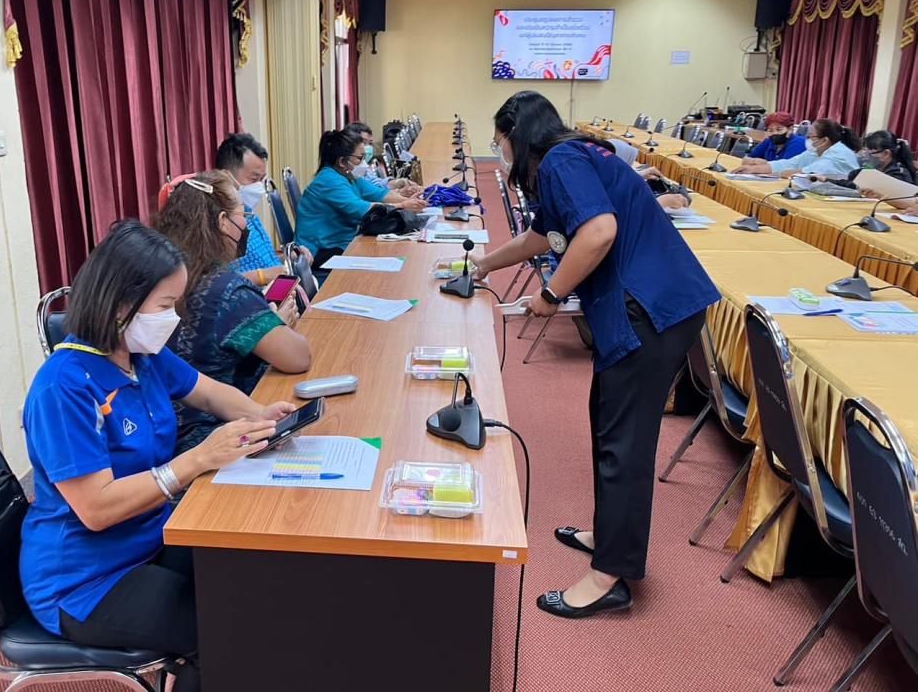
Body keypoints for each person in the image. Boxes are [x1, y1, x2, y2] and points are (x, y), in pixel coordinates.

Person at [472, 91, 719, 618]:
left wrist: (550, 293)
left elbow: (599, 231)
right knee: (608, 424)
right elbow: (540, 237)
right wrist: (484, 265)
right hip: (645, 306)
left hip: (650, 309)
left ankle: (610, 577)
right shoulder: (568, 159)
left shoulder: (561, 160)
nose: (500, 152)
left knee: (623, 442)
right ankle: (608, 538)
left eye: (499, 141)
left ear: (518, 134)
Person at [20, 220, 294, 692]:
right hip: (85, 581)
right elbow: (97, 509)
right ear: (120, 304)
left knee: (254, 578)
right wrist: (197, 460)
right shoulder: (63, 387)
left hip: (149, 538)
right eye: (165, 306)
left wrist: (262, 417)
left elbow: (208, 393)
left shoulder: (140, 355)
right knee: (226, 633)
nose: (173, 318)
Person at [153, 171, 312, 452]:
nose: (247, 222)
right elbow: (298, 358)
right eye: (243, 214)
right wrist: (278, 325)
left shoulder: (165, 275)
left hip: (166, 434)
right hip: (212, 438)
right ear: (222, 222)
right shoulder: (227, 290)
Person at [296, 128, 428, 269]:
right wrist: (403, 205)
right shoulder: (329, 181)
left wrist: (410, 199)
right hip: (320, 251)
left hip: (344, 242)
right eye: (360, 158)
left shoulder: (350, 176)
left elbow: (381, 195)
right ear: (342, 161)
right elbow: (364, 210)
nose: (364, 163)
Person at [203, 132, 313, 286]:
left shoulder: (247, 208)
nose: (259, 186)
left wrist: (290, 257)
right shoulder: (214, 221)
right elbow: (213, 283)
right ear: (226, 175)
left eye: (262, 179)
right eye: (254, 179)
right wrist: (261, 276)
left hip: (277, 286)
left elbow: (262, 259)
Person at [734, 118, 860, 178]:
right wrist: (753, 169)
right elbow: (789, 163)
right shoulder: (816, 150)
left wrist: (780, 173)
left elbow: (801, 174)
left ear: (824, 140)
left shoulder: (839, 155)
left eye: (810, 136)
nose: (807, 139)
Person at [816, 130, 918, 198]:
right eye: (864, 151)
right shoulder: (875, 170)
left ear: (886, 153)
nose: (865, 157)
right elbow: (855, 184)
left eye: (869, 153)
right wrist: (827, 180)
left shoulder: (899, 174)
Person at [346, 122, 423, 196]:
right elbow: (364, 196)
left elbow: (375, 183)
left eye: (370, 143)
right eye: (364, 142)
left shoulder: (362, 166)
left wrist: (396, 183)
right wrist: (398, 193)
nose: (367, 147)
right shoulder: (345, 170)